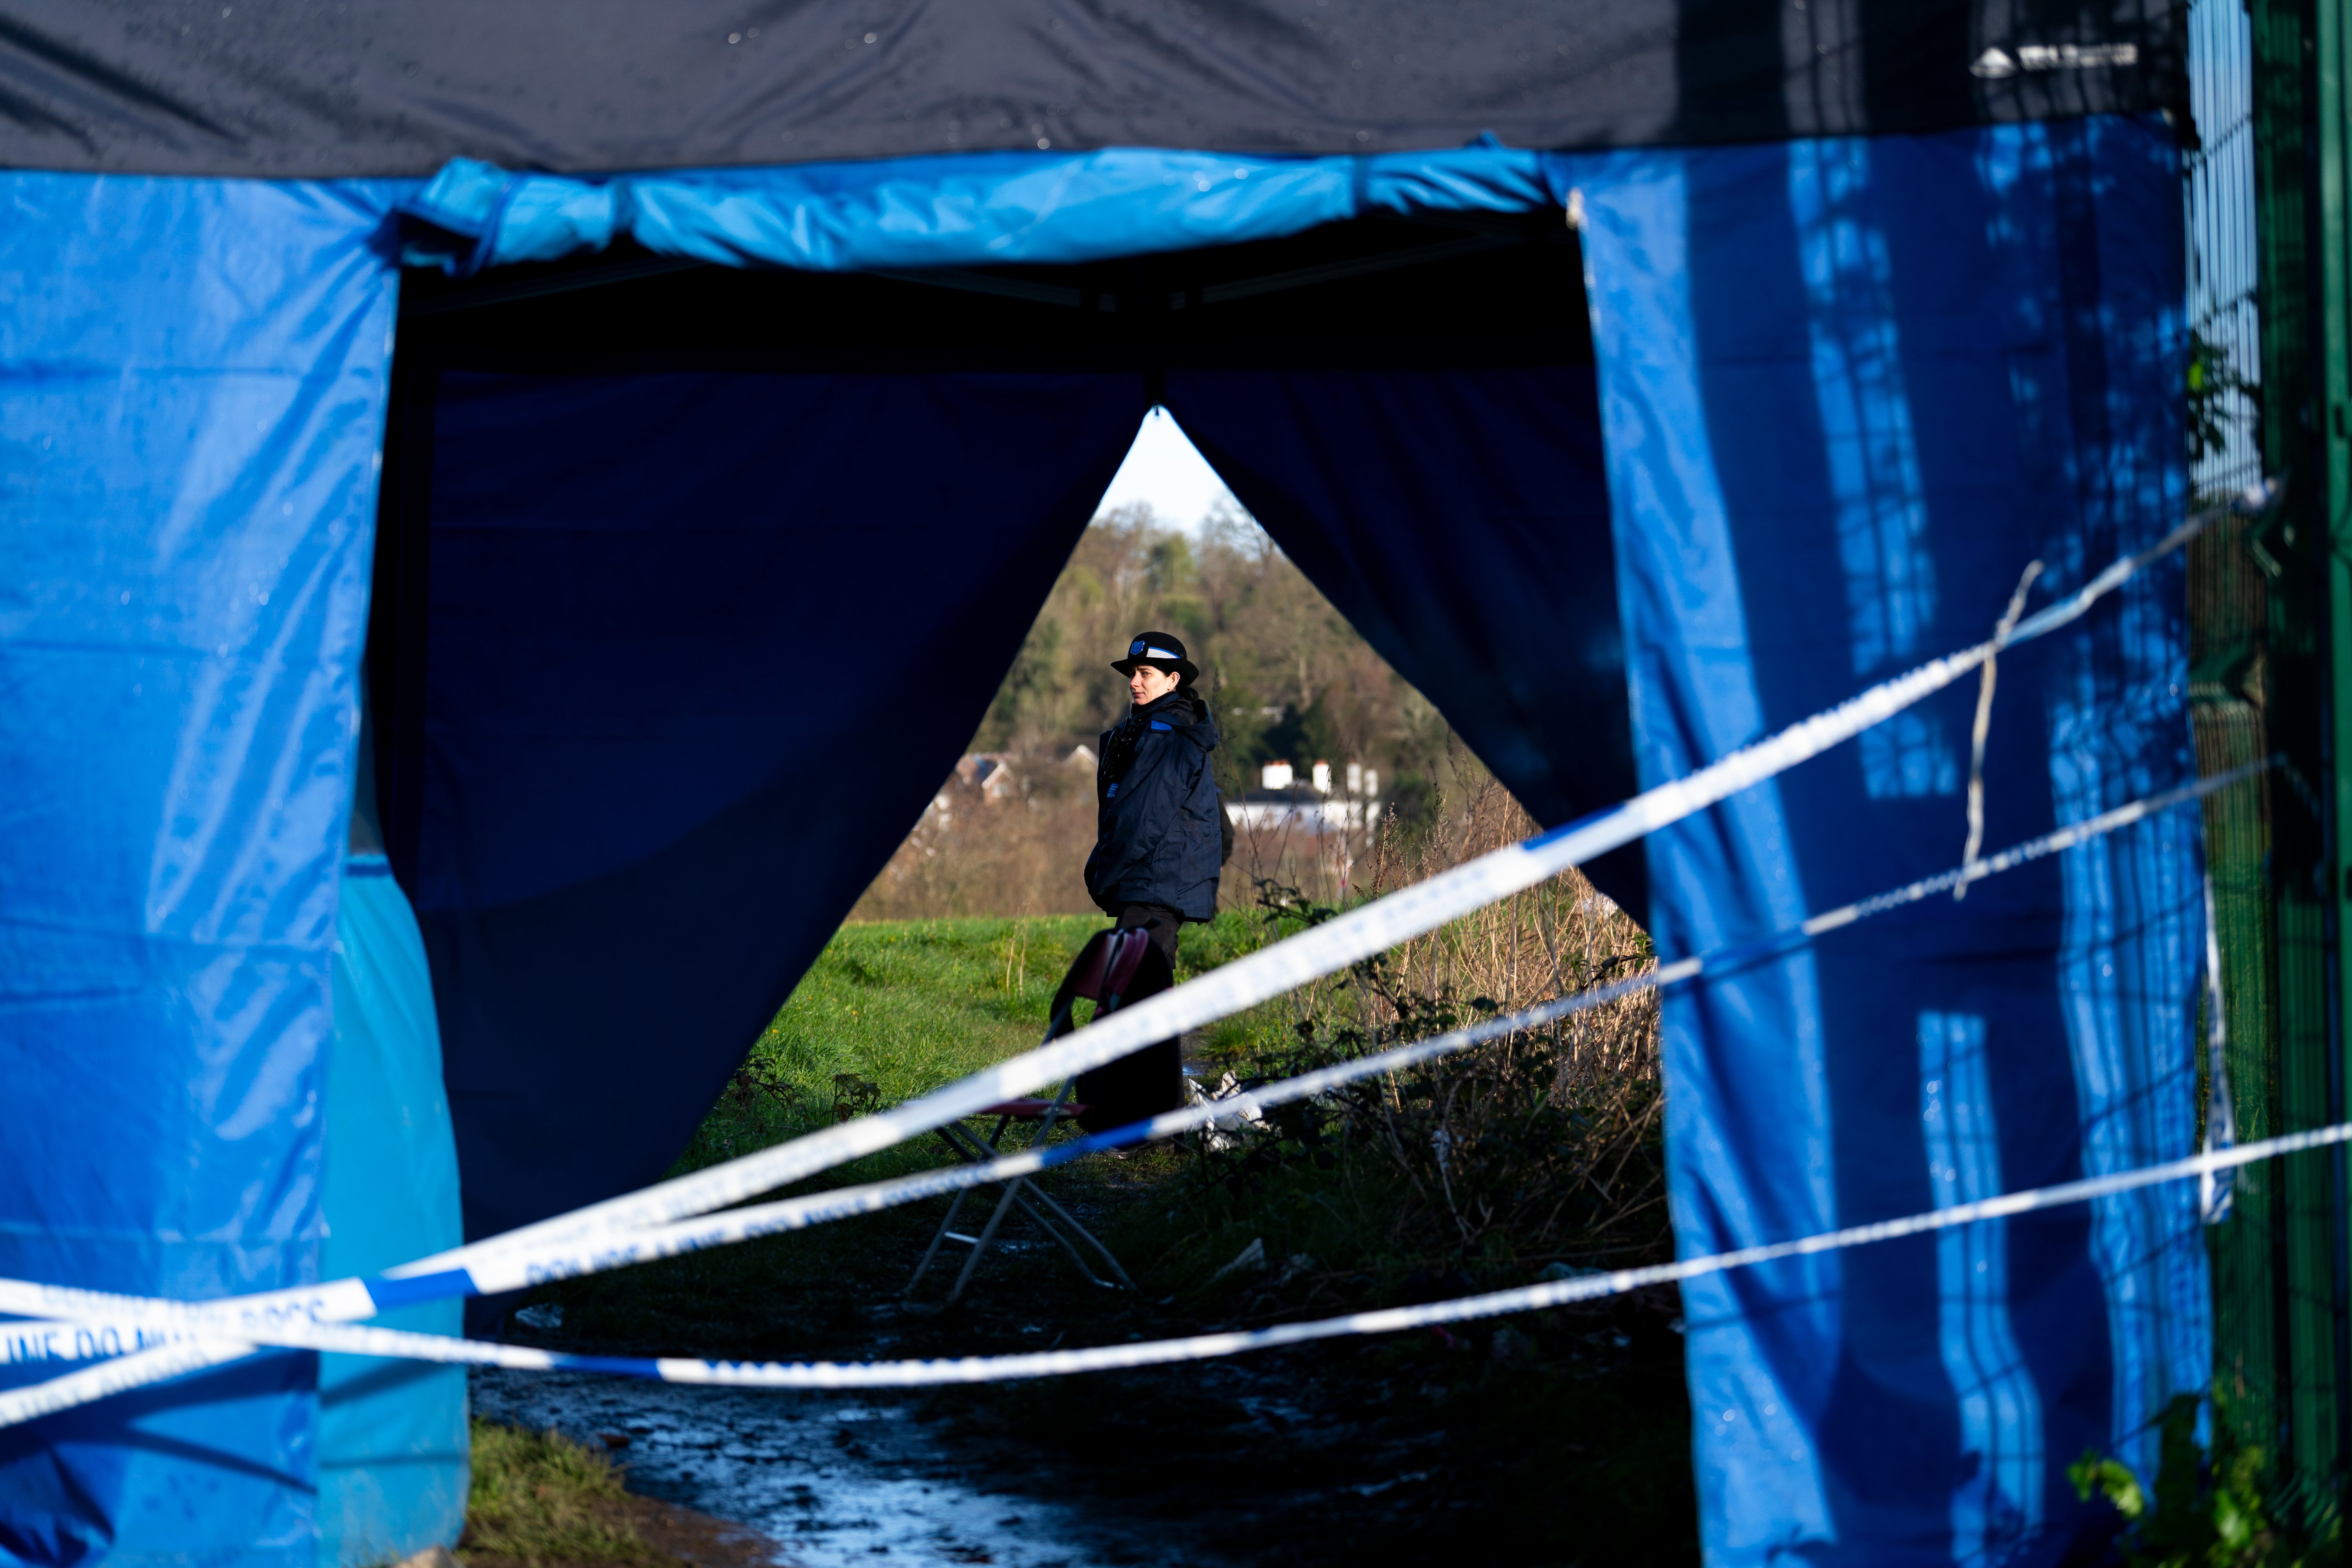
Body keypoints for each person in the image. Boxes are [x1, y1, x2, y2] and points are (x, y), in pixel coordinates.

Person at [1083, 631, 1224, 973]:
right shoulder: (1146, 728)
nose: (1134, 682)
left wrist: (1104, 873)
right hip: (1148, 884)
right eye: (1133, 673)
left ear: (1172, 680)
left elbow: (1144, 818)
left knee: (1135, 999)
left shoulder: (1168, 735)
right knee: (1133, 996)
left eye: (1146, 673)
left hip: (1154, 886)